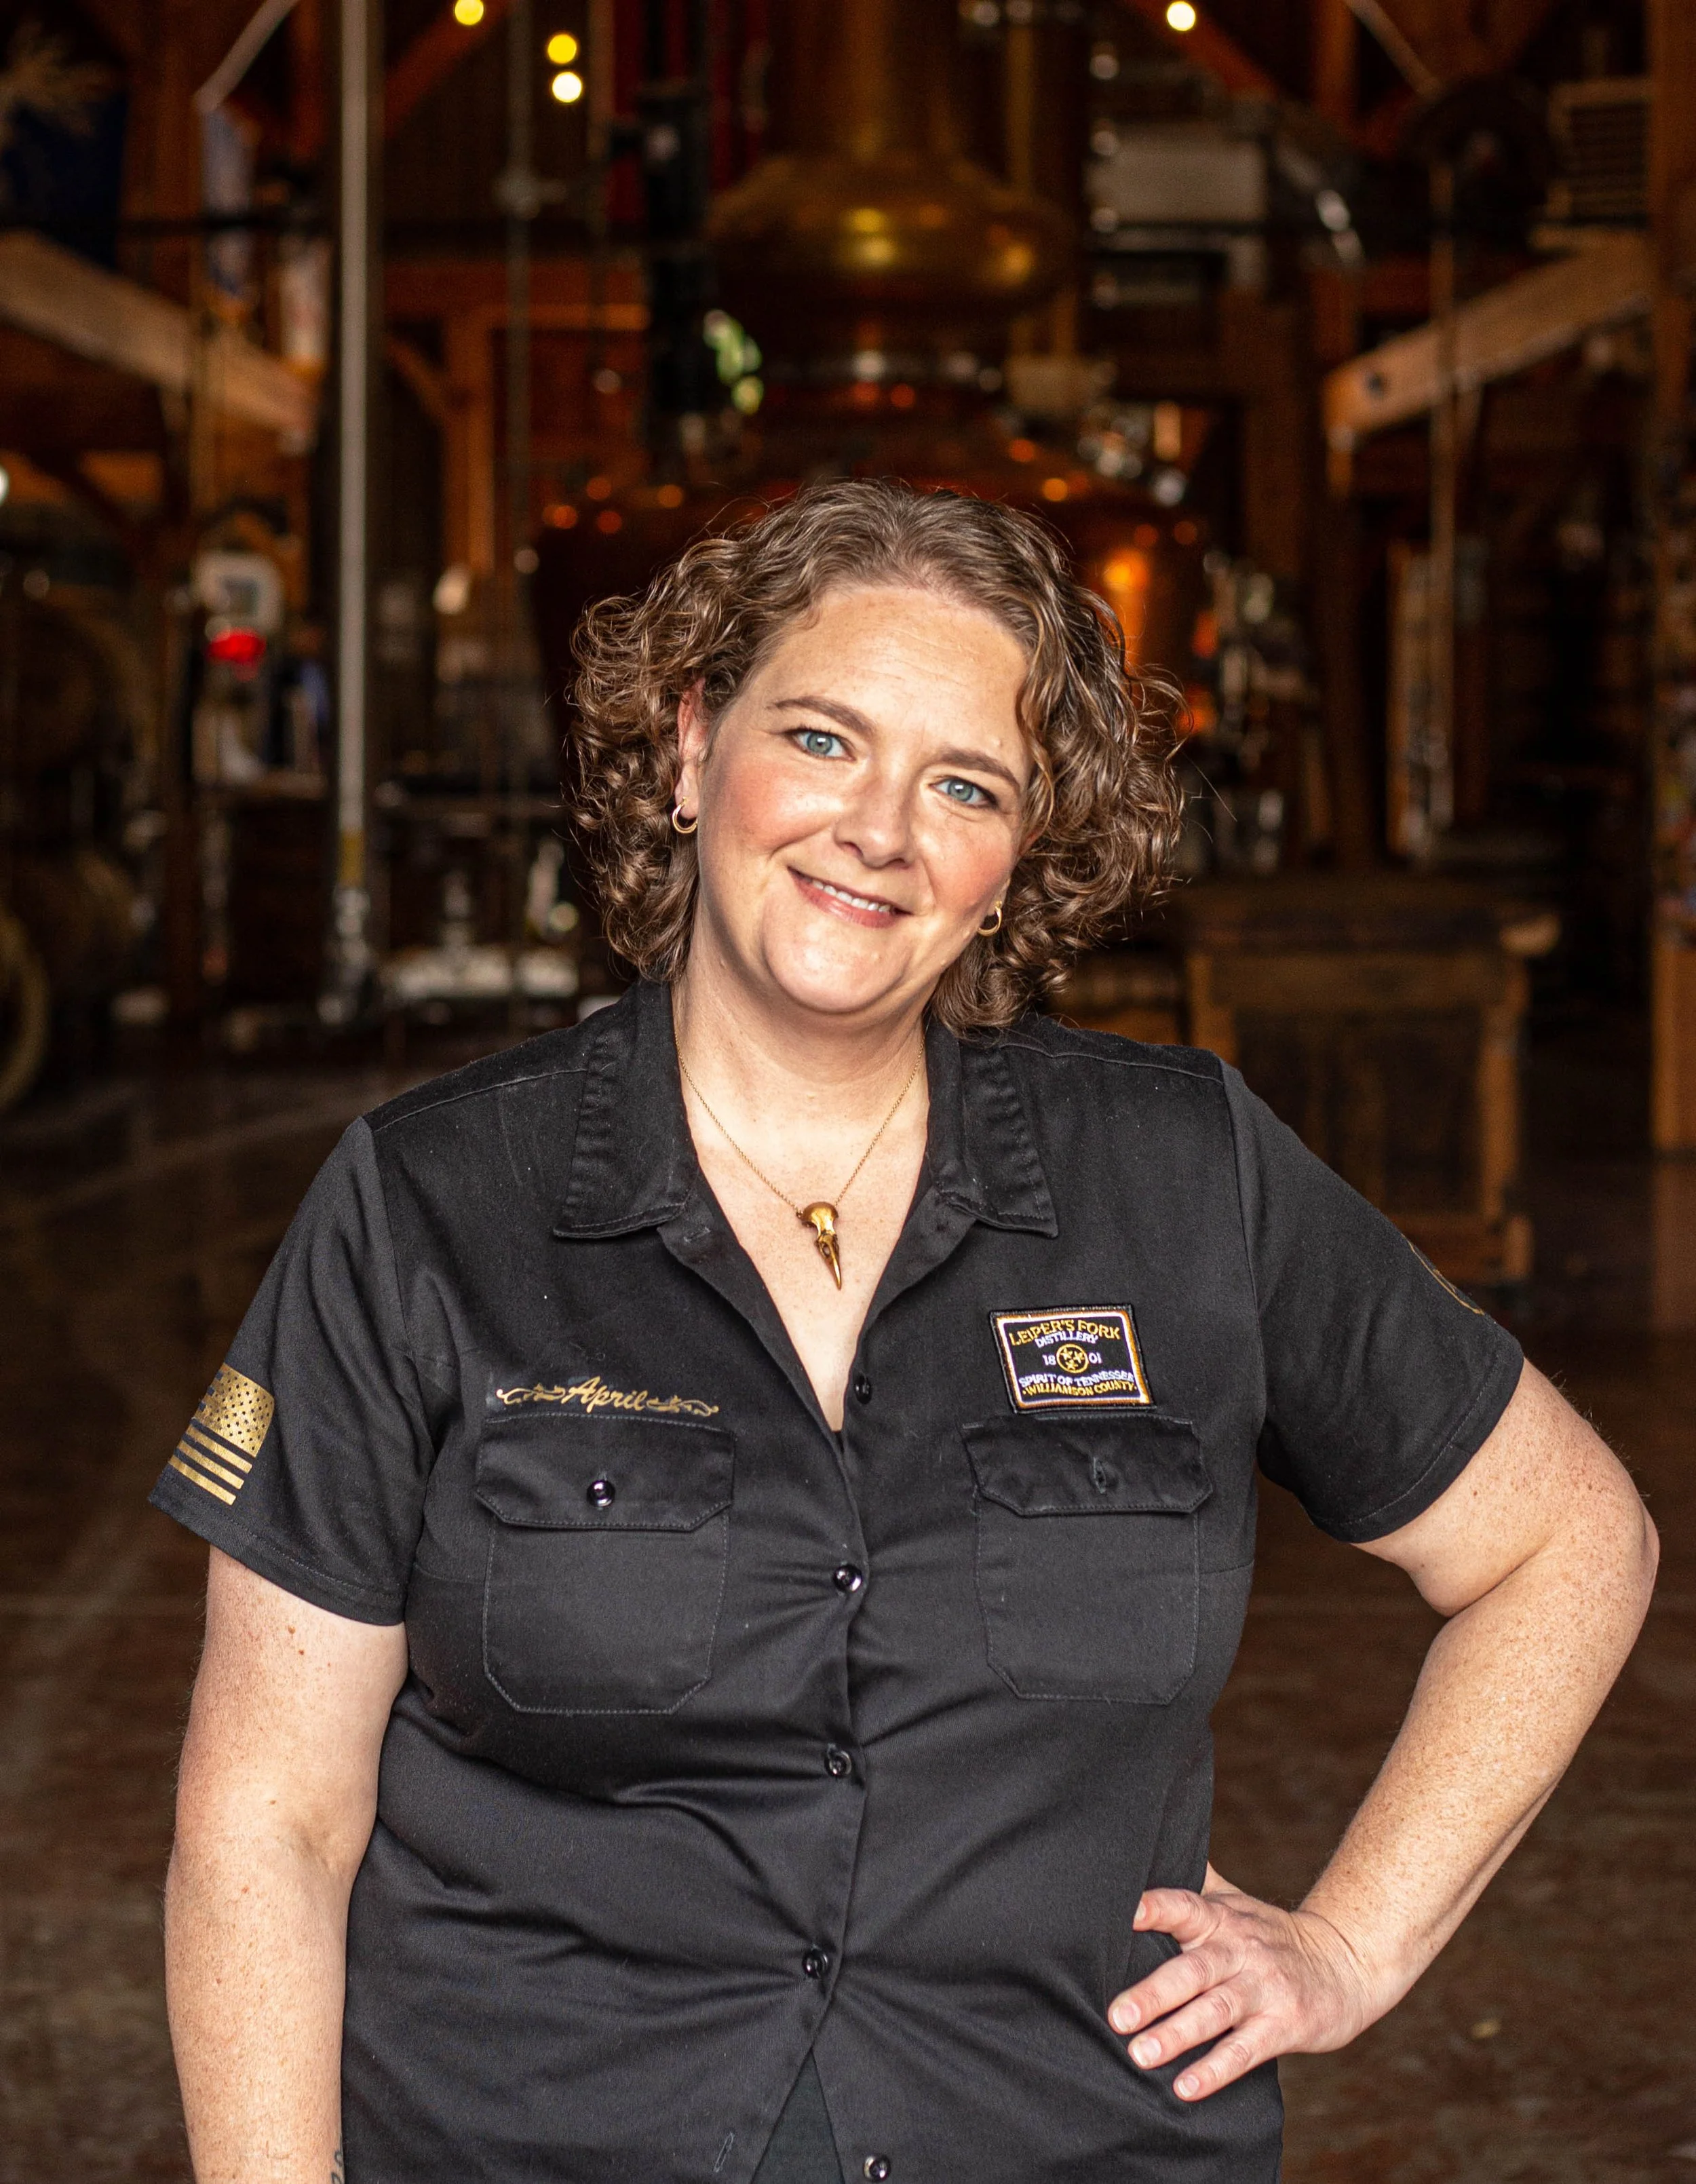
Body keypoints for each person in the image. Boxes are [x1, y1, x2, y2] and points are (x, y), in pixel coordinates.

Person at [156, 480, 1655, 2184]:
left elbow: (1563, 1537)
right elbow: (266, 1826)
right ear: (689, 742)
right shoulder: (429, 1204)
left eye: (963, 784)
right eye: (820, 737)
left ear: (1018, 853)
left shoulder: (1181, 1176)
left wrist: (1352, 1942)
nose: (878, 828)